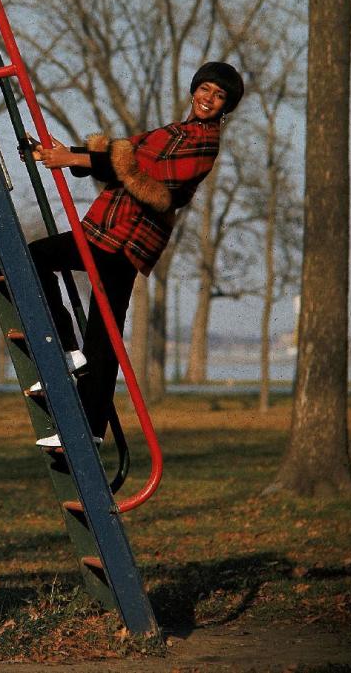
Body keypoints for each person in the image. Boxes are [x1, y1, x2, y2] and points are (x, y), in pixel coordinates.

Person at [28, 62, 244, 446]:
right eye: (205, 89)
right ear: (194, 89)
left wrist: (75, 160)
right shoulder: (174, 131)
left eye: (218, 96)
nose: (208, 99)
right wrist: (67, 153)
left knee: (36, 259)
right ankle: (90, 429)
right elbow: (121, 155)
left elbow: (142, 170)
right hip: (109, 230)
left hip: (123, 237)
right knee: (103, 333)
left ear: (225, 107)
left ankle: (64, 351)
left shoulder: (204, 143)